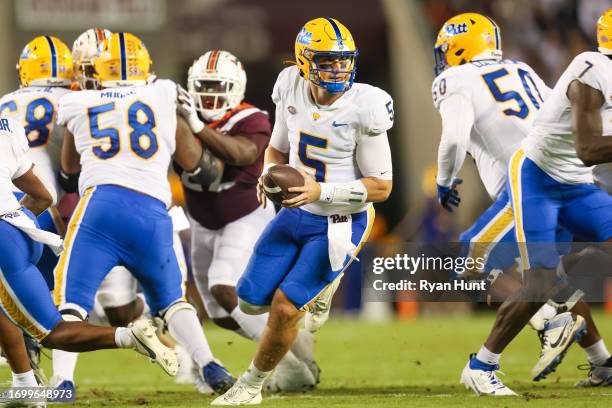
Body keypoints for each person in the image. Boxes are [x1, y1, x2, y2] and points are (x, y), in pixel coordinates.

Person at [190, 17, 394, 405]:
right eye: (327, 61)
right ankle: (318, 292)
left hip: (340, 221)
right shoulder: (290, 87)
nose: (337, 69)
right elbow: (278, 149)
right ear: (303, 62)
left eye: (343, 61)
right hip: (295, 213)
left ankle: (250, 385)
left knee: (285, 308)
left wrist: (322, 189)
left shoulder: (365, 106)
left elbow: (381, 188)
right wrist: (268, 173)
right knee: (249, 300)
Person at [431, 13, 610, 394]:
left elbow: (453, 139)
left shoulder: (455, 79)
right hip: (568, 175)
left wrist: (444, 180)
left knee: (467, 257)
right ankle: (599, 359)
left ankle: (548, 323)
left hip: (528, 181)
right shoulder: (521, 69)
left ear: (460, 46)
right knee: (548, 276)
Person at [54, 32, 234, 394]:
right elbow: (194, 163)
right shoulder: (164, 92)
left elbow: (69, 173)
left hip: (100, 209)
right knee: (172, 301)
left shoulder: (77, 102)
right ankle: (211, 365)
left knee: (71, 304)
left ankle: (62, 382)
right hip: (153, 211)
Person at [0, 117, 177, 406]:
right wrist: (14, 223)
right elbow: (44, 196)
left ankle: (130, 336)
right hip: (24, 231)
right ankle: (25, 386)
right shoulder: (5, 129)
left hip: (3, 243)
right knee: (2, 307)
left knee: (53, 333)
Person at [176, 49, 318, 392]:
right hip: (202, 220)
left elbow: (243, 153)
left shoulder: (250, 117)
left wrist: (194, 126)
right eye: (203, 88)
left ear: (235, 88)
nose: (208, 96)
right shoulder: (179, 118)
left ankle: (285, 367)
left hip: (246, 213)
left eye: (216, 87)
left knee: (224, 285)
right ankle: (295, 345)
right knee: (222, 314)